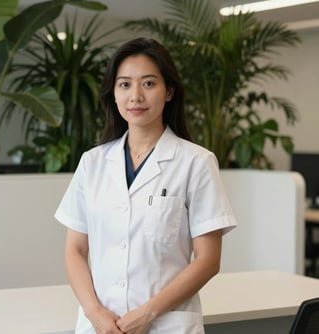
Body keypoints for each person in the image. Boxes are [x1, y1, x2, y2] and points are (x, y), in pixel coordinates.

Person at [55, 37, 237, 334]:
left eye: (149, 84)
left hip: (166, 325)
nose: (135, 96)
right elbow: (75, 249)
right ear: (113, 94)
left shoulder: (196, 163)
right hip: (101, 326)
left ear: (169, 92)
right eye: (124, 84)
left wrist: (148, 313)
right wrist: (94, 313)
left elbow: (208, 260)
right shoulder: (93, 163)